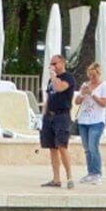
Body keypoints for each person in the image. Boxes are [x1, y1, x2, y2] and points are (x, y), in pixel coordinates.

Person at [38, 52, 78, 188]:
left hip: (62, 116)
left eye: (54, 63)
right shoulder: (51, 81)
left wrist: (54, 76)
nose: (52, 66)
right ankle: (56, 179)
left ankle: (70, 177)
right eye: (51, 64)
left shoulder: (68, 78)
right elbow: (48, 97)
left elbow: (59, 88)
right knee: (52, 148)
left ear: (62, 63)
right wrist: (43, 116)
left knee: (62, 146)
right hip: (50, 115)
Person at [72, 58, 106, 184]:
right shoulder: (85, 85)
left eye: (93, 75)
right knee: (87, 148)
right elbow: (77, 102)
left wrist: (93, 94)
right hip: (84, 120)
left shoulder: (104, 86)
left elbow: (103, 104)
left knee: (93, 146)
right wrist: (82, 94)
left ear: (98, 74)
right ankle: (90, 172)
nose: (91, 78)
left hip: (96, 121)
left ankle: (97, 173)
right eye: (89, 75)